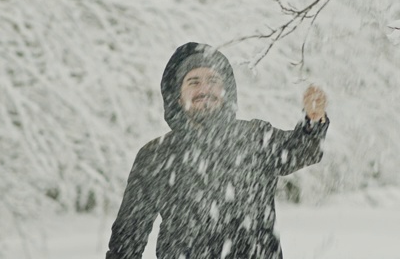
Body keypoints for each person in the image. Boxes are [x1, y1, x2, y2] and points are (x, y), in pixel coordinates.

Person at [106, 42, 329, 259]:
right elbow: (127, 239)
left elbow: (304, 150)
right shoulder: (155, 156)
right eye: (193, 82)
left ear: (225, 91)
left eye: (213, 80)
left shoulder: (255, 138)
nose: (205, 89)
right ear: (177, 95)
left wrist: (312, 121)